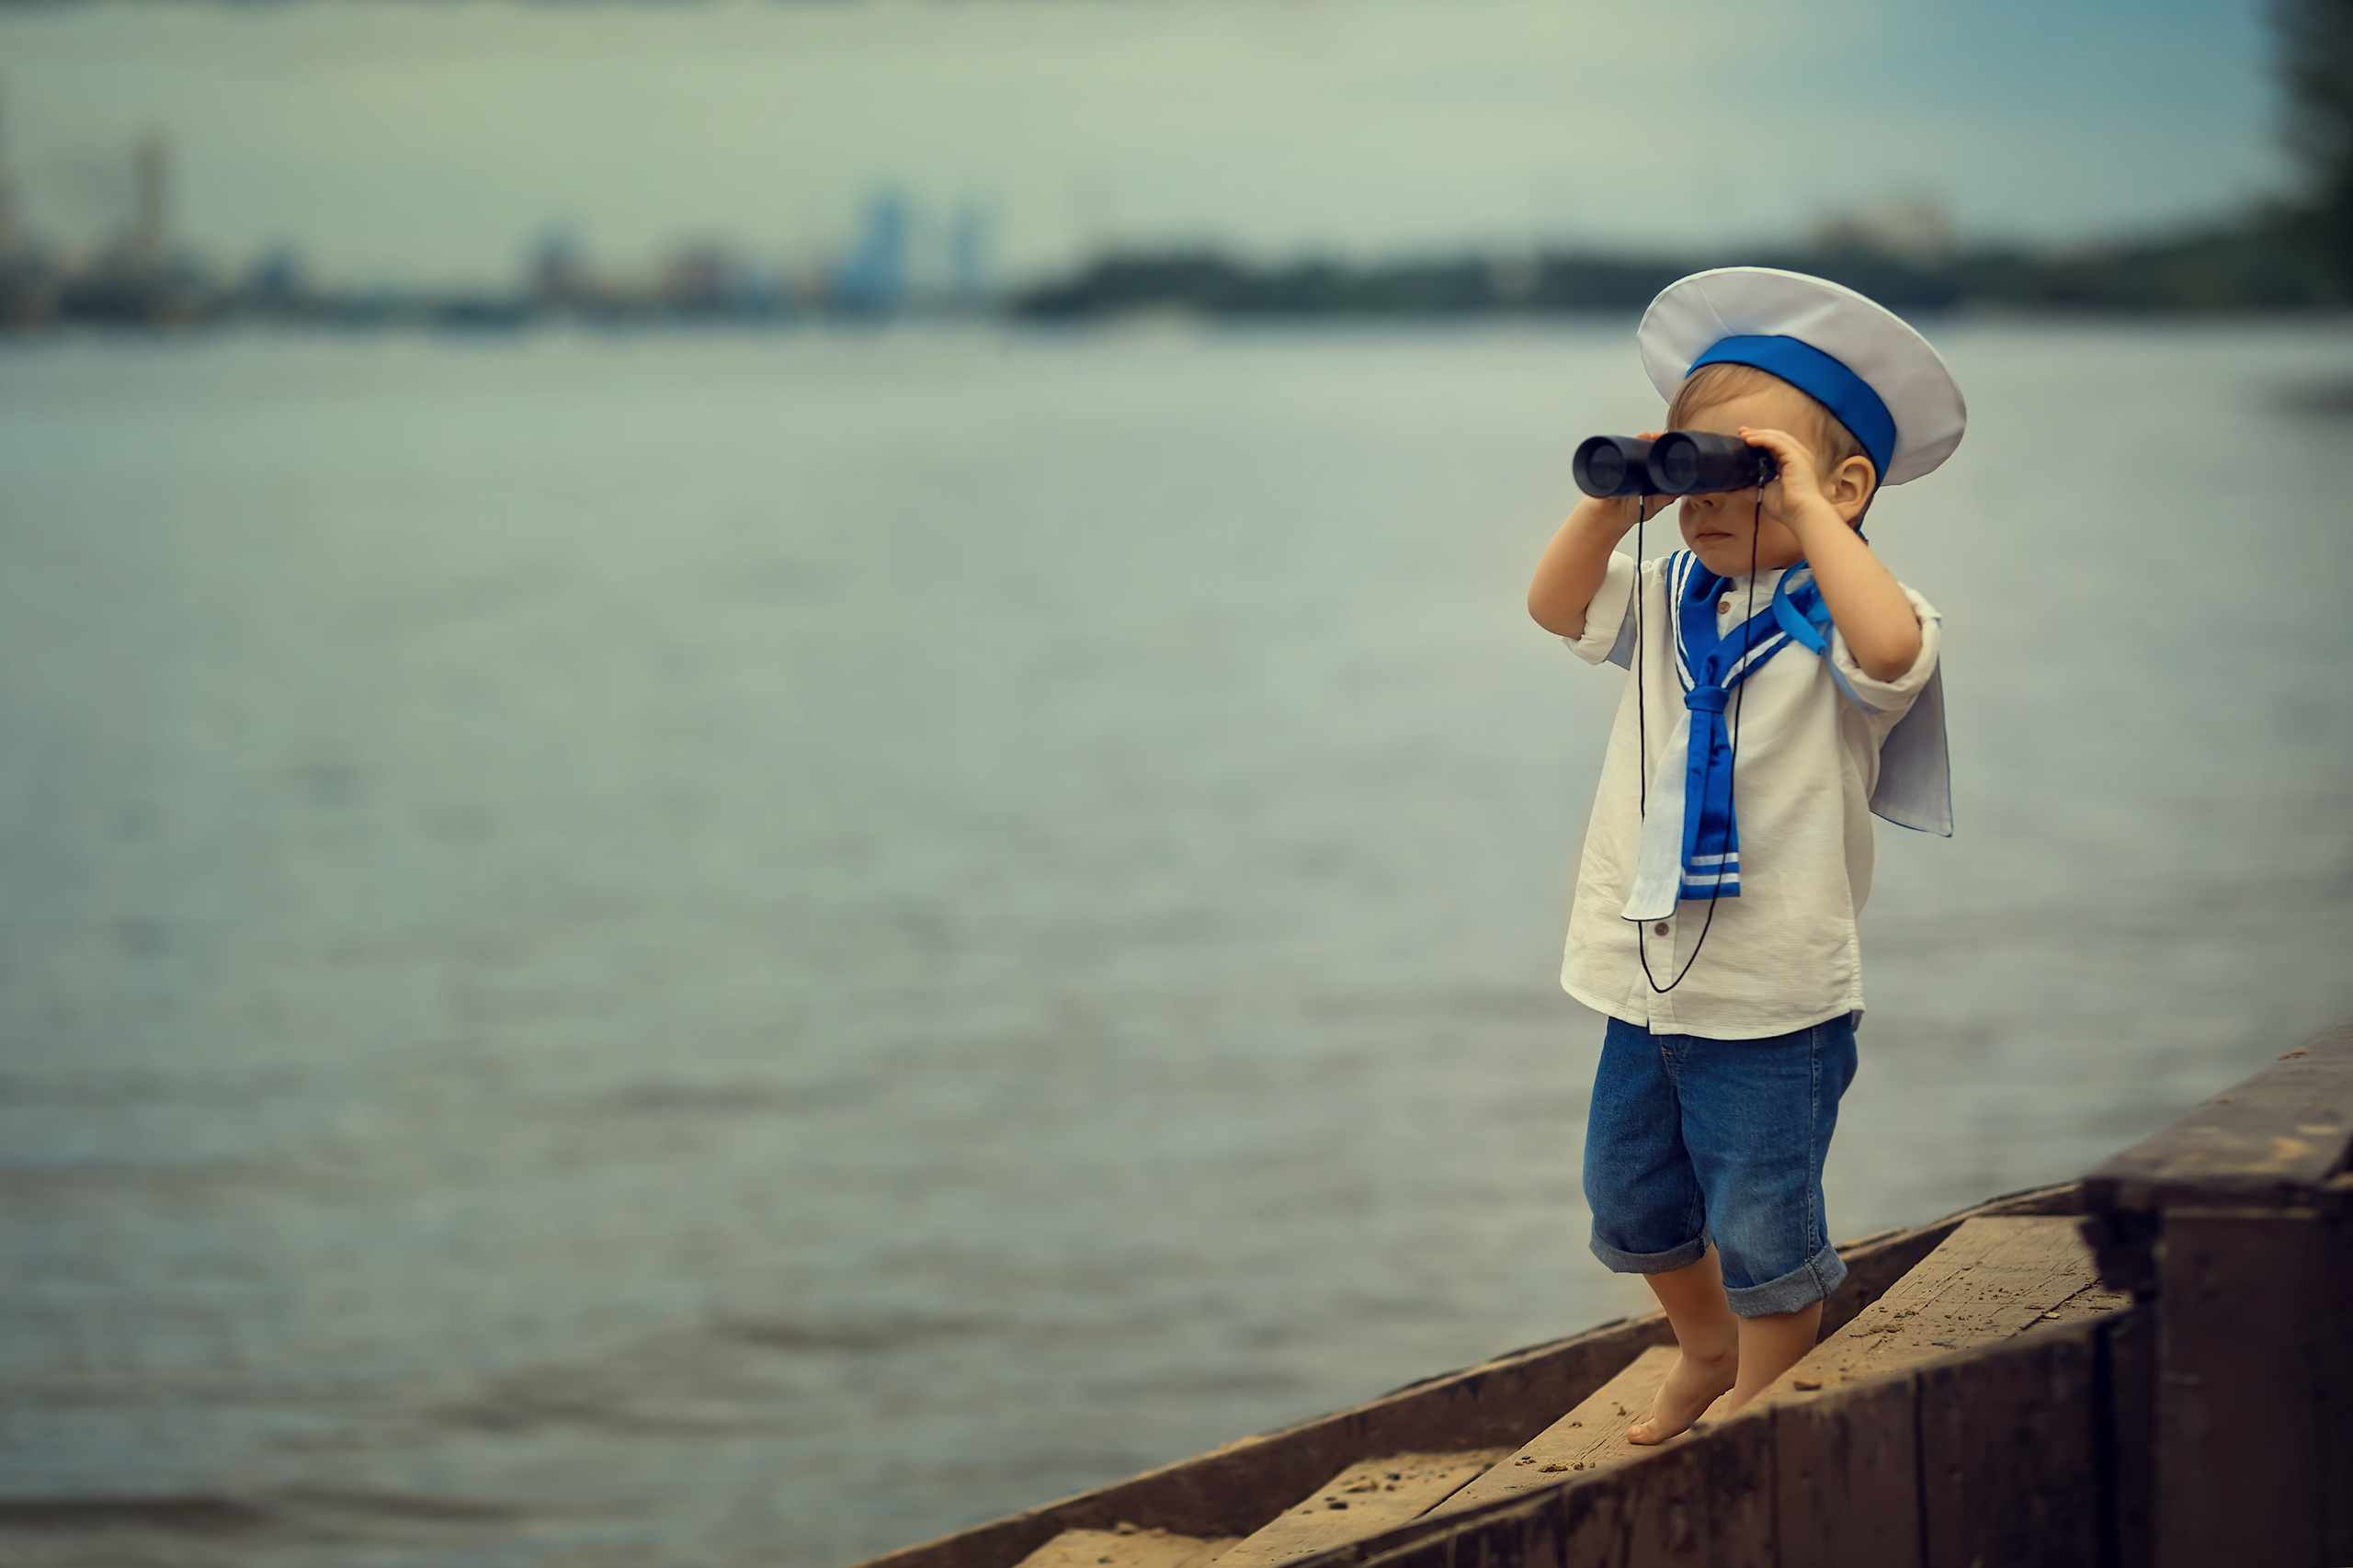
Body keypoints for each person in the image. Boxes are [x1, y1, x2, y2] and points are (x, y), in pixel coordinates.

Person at [1525, 267, 1967, 1444]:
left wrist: (1807, 512)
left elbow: (1889, 650)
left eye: (1743, 471)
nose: (1706, 501)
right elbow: (1554, 606)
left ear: (1844, 487)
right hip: (1646, 969)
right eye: (1692, 474)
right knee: (1629, 1196)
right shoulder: (1671, 592)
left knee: (1766, 1224)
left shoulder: (1856, 615)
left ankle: (1761, 1411)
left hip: (1775, 995)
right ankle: (1704, 1344)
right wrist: (1616, 497)